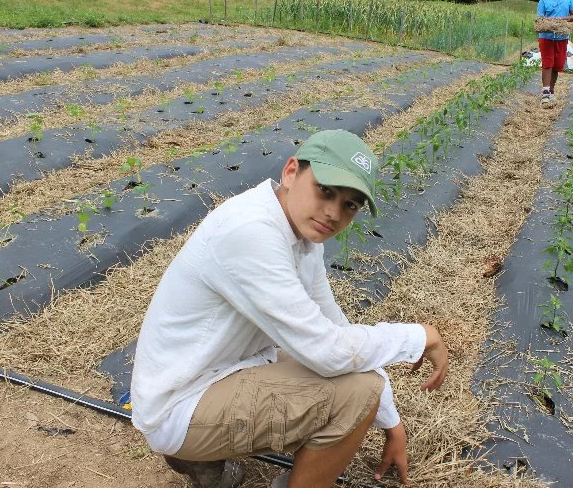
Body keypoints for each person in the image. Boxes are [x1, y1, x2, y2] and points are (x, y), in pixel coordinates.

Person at [131, 129, 449, 488]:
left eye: (350, 205)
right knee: (358, 392)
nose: (333, 213)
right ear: (291, 172)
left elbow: (336, 330)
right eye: (325, 191)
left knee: (358, 376)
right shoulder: (252, 231)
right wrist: (419, 336)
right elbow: (328, 351)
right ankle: (196, 450)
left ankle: (203, 461)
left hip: (212, 371)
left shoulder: (301, 240)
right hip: (178, 405)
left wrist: (392, 422)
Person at [537, 0, 573, 106]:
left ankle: (551, 91)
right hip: (546, 37)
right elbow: (540, 20)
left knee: (557, 65)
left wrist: (559, 20)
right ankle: (545, 94)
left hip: (562, 37)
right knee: (547, 64)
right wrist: (549, 24)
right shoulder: (543, 1)